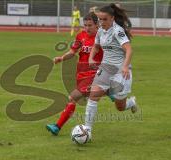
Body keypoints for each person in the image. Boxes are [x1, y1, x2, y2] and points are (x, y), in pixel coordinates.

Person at [84, 3, 138, 135]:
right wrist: (91, 58)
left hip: (120, 71)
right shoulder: (101, 31)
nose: (101, 22)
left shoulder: (117, 31)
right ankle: (87, 130)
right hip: (106, 68)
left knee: (120, 107)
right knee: (93, 96)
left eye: (104, 19)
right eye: (100, 19)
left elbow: (129, 50)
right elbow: (96, 46)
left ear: (112, 18)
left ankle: (131, 103)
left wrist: (125, 66)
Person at [46, 12, 103, 136]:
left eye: (90, 25)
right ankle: (112, 93)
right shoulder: (80, 36)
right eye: (85, 25)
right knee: (85, 97)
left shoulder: (102, 37)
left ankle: (57, 127)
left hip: (94, 74)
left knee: (73, 98)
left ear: (97, 24)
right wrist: (61, 58)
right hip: (81, 74)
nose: (87, 28)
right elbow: (73, 51)